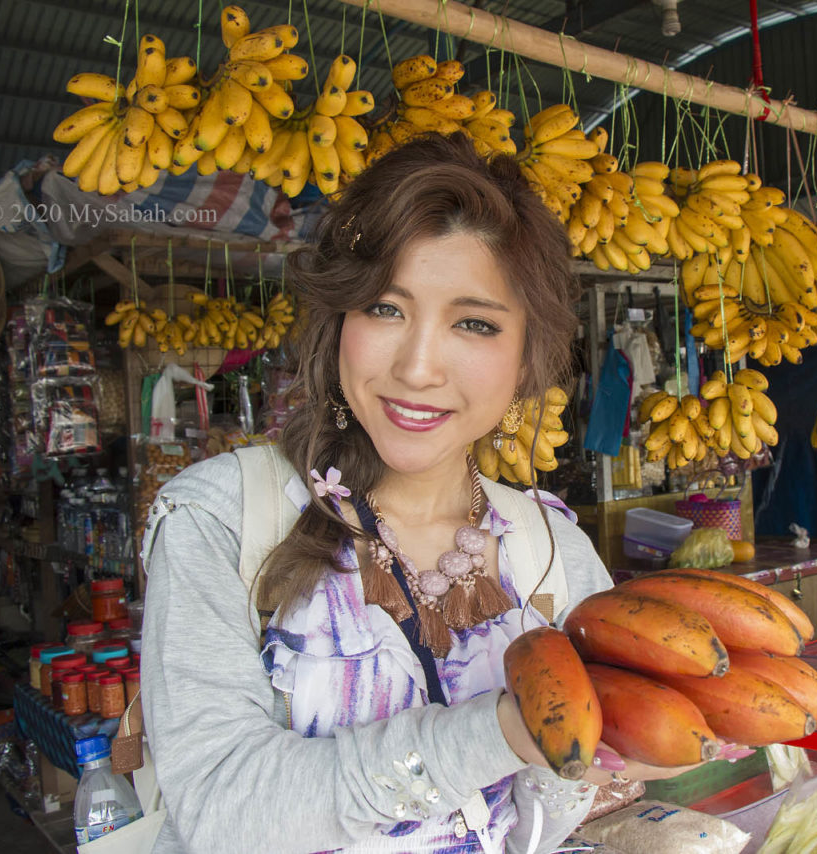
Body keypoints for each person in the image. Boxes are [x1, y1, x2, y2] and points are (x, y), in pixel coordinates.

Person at [139, 133, 717, 854]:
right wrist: (501, 732)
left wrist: (584, 762)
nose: (417, 368)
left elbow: (527, 829)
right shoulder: (220, 518)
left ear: (526, 357)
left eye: (473, 323)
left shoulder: (550, 552)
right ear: (339, 320)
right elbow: (223, 810)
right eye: (385, 308)